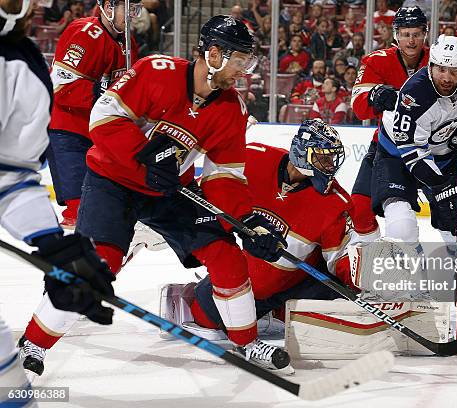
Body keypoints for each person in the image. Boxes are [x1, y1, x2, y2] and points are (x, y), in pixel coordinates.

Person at [18, 15, 291, 376]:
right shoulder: (155, 71)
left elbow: (224, 175)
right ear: (213, 54)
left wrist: (245, 220)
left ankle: (247, 342)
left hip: (169, 191)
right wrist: (142, 163)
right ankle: (33, 342)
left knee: (226, 256)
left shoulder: (232, 109)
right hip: (112, 180)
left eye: (246, 61)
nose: (243, 70)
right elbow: (104, 117)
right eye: (239, 60)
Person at [1, 0, 116, 399]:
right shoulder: (84, 35)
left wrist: (54, 244)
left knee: (9, 390)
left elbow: (10, 178)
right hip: (73, 133)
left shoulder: (22, 66)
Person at [163, 120, 360, 340]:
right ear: (302, 152)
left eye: (331, 158)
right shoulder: (254, 157)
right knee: (206, 319)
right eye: (323, 157)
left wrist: (362, 287)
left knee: (323, 317)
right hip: (247, 283)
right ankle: (195, 294)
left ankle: (275, 312)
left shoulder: (335, 201)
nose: (330, 165)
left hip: (299, 285)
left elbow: (340, 259)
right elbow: (215, 191)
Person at [372, 35, 457, 248]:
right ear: (430, 65)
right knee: (401, 226)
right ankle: (409, 272)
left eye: (454, 71)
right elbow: (413, 152)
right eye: (441, 69)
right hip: (396, 155)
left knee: (456, 224)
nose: (446, 77)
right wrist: (440, 186)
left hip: (443, 154)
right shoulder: (414, 94)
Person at [46, 0, 140, 228]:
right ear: (108, 7)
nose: (133, 16)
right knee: (80, 210)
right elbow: (60, 86)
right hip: (68, 130)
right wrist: (105, 94)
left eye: (136, 10)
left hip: (99, 132)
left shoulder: (128, 43)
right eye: (128, 9)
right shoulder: (84, 33)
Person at [350, 6, 429, 240]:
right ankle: (375, 259)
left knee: (449, 214)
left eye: (416, 33)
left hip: (432, 148)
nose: (411, 40)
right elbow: (359, 107)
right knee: (360, 209)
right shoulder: (377, 61)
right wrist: (374, 97)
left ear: (425, 34)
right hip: (389, 147)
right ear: (396, 35)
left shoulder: (438, 62)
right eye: (405, 34)